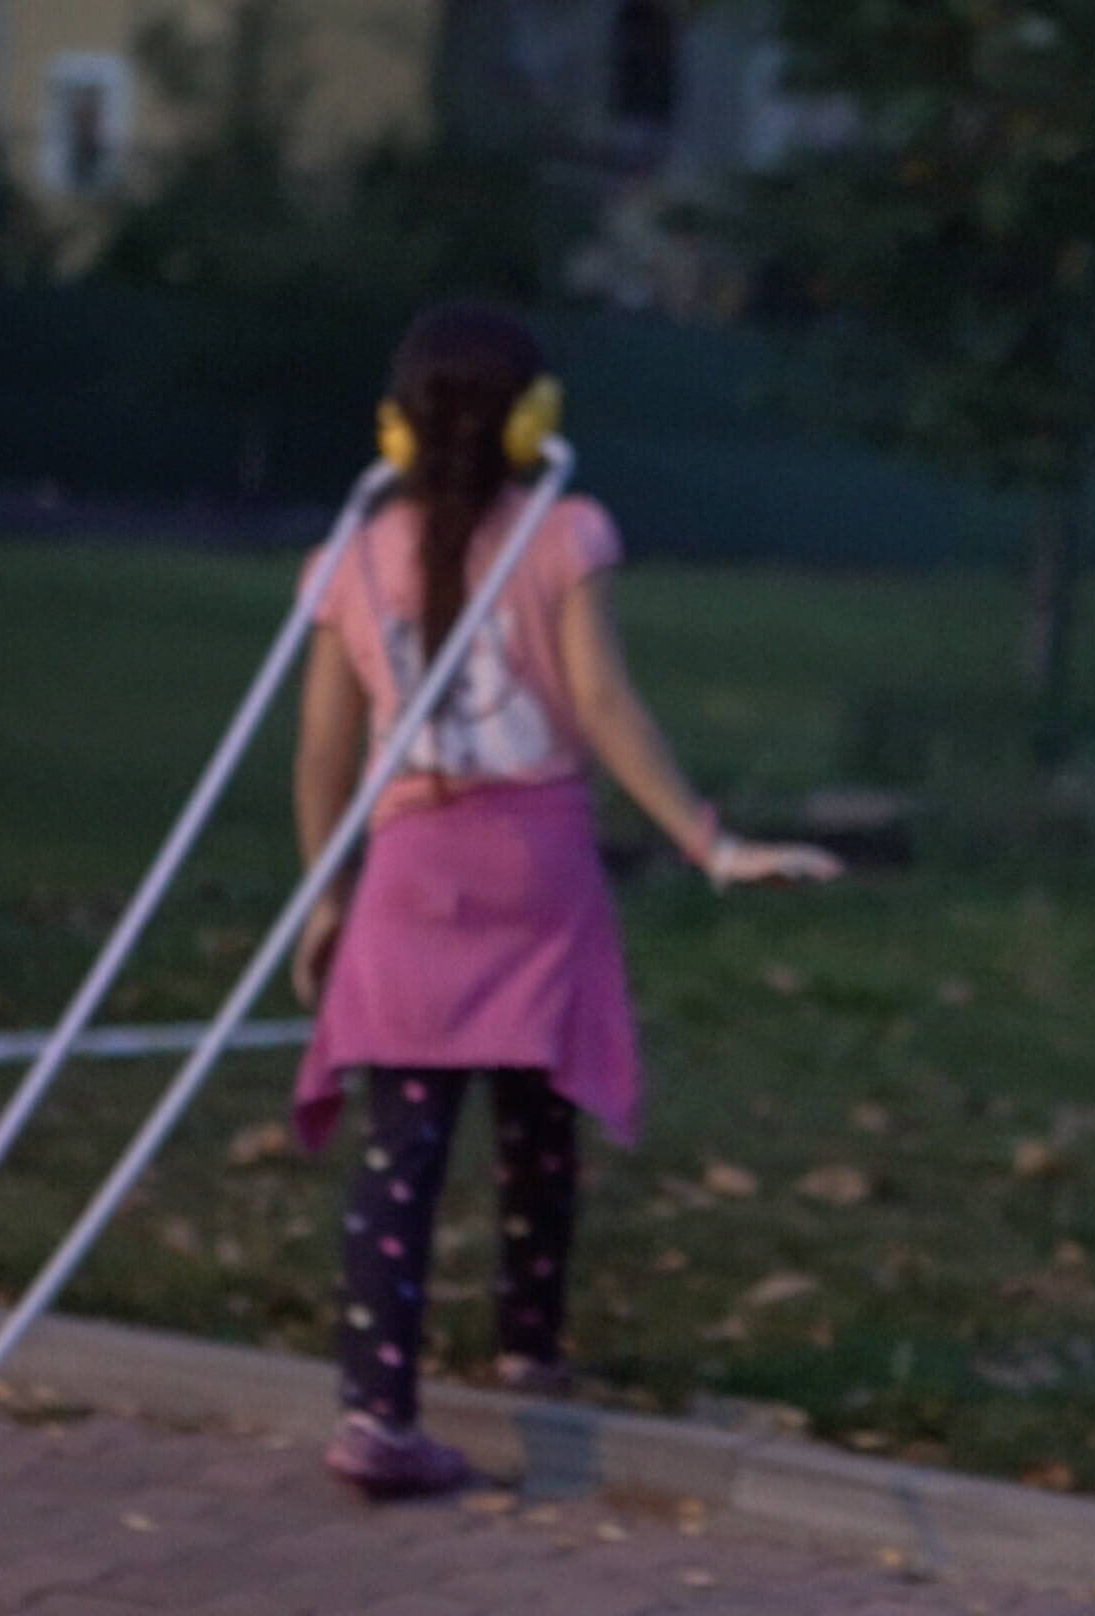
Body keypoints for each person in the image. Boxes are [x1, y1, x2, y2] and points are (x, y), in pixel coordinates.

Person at [289, 302, 842, 1498]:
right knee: (541, 1118)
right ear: (534, 420)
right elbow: (603, 702)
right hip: (536, 867)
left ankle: (373, 1410)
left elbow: (323, 755)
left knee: (404, 1146)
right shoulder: (568, 530)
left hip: (408, 872)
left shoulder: (351, 553)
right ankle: (528, 1348)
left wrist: (325, 893)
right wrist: (706, 839)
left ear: (396, 426)